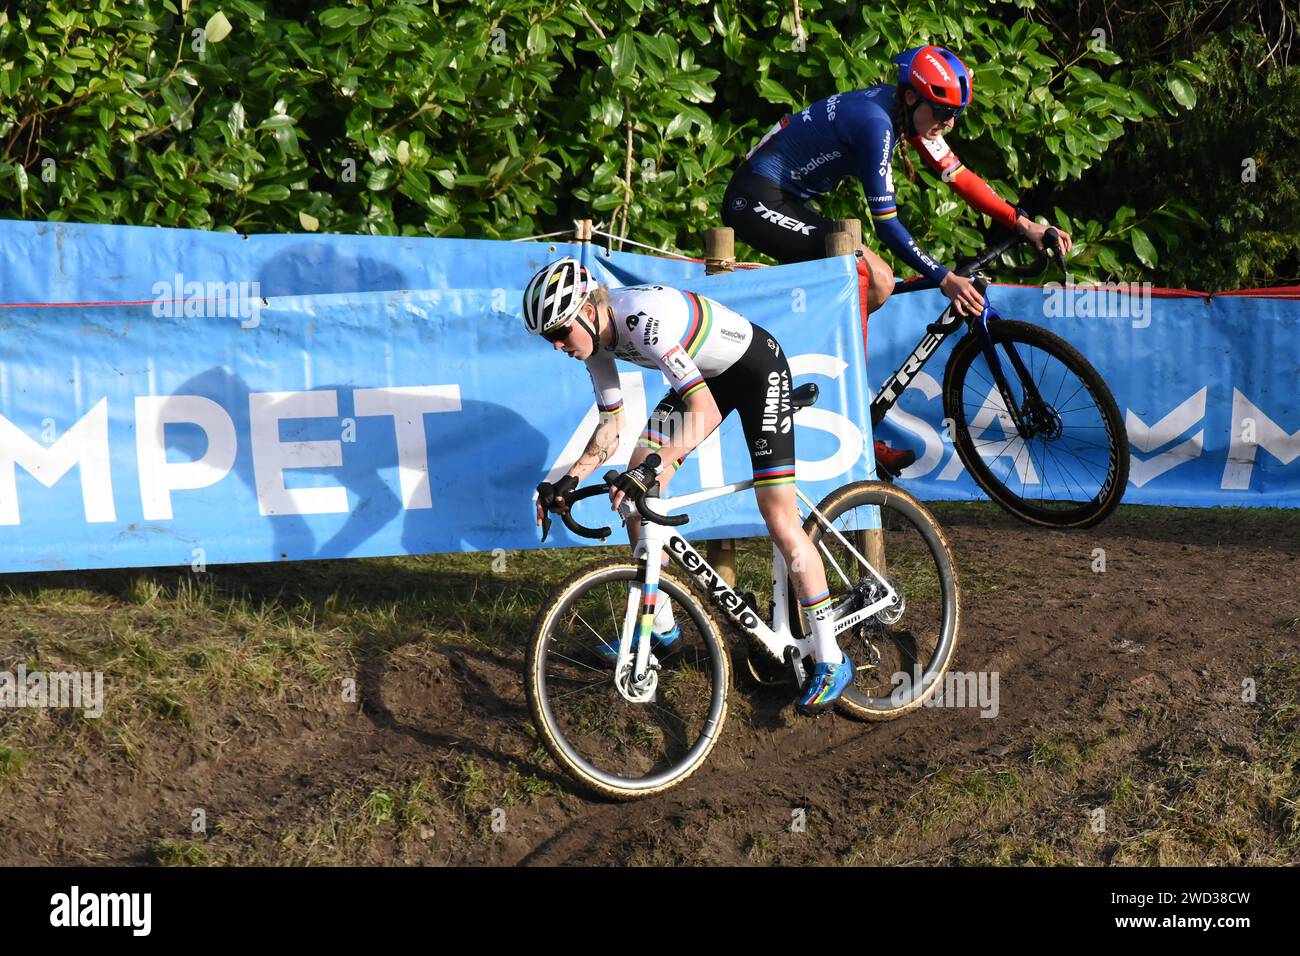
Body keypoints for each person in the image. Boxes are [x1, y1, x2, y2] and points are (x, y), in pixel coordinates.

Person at [722, 44, 1074, 476]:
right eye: (943, 111)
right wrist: (944, 277)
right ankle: (816, 403)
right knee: (876, 278)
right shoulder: (876, 125)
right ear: (912, 98)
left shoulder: (903, 113)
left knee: (870, 281)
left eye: (955, 115)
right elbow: (887, 224)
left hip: (789, 198)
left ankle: (838, 409)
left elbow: (959, 175)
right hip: (754, 198)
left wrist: (1023, 223)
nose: (948, 123)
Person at [523, 257, 852, 715]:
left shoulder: (640, 320)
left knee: (777, 515)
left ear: (588, 311)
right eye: (548, 338)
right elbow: (610, 431)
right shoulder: (594, 343)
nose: (558, 345)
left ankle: (831, 656)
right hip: (705, 380)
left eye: (560, 332)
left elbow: (705, 411)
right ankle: (660, 629)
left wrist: (661, 464)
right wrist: (568, 480)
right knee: (635, 485)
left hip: (757, 370)